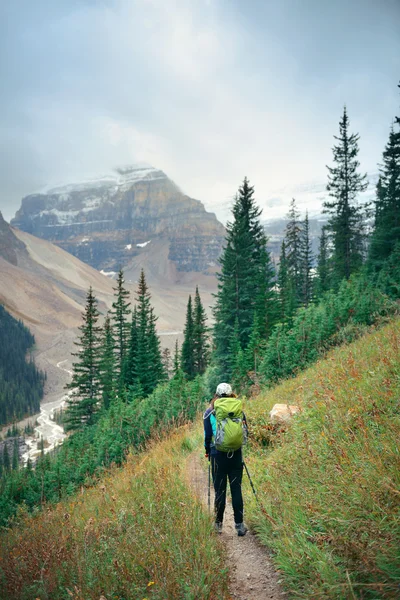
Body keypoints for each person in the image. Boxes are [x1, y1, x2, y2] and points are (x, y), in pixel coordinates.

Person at [203, 382, 248, 536]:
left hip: (217, 456)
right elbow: (244, 431)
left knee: (220, 491)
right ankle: (239, 526)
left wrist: (207, 451)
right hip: (235, 455)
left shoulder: (209, 412)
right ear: (231, 394)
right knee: (236, 489)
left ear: (216, 394)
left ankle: (218, 525)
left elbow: (208, 436)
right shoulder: (238, 409)